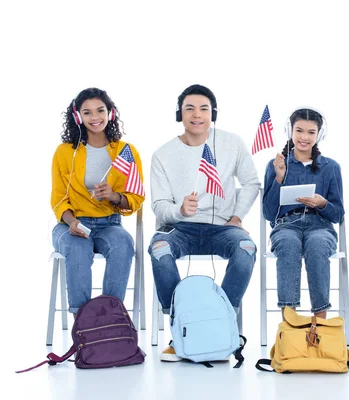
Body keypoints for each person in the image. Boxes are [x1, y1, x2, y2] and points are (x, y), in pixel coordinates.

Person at [149, 84, 260, 361]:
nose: (197, 115)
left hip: (222, 227)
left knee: (246, 248)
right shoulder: (162, 154)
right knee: (160, 249)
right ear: (179, 114)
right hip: (179, 229)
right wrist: (180, 210)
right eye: (189, 109)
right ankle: (180, 324)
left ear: (213, 114)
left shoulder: (231, 142)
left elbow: (251, 183)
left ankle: (219, 322)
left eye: (203, 109)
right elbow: (159, 206)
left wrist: (236, 217)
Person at [51, 87, 145, 315]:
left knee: (123, 245)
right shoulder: (65, 152)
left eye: (100, 110)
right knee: (78, 250)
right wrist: (71, 221)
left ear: (110, 113)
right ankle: (82, 323)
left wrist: (113, 196)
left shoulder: (126, 151)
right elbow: (58, 197)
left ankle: (110, 317)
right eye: (87, 112)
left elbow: (136, 198)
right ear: (78, 117)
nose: (95, 118)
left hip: (109, 223)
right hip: (71, 224)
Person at [263, 108, 344, 320]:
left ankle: (320, 325)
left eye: (310, 132)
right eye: (299, 130)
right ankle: (290, 324)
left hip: (320, 224)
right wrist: (279, 178)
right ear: (290, 131)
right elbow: (269, 213)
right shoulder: (277, 165)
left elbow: (337, 215)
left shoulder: (331, 167)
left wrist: (323, 203)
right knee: (288, 245)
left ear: (319, 135)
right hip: (286, 225)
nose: (304, 137)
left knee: (317, 246)